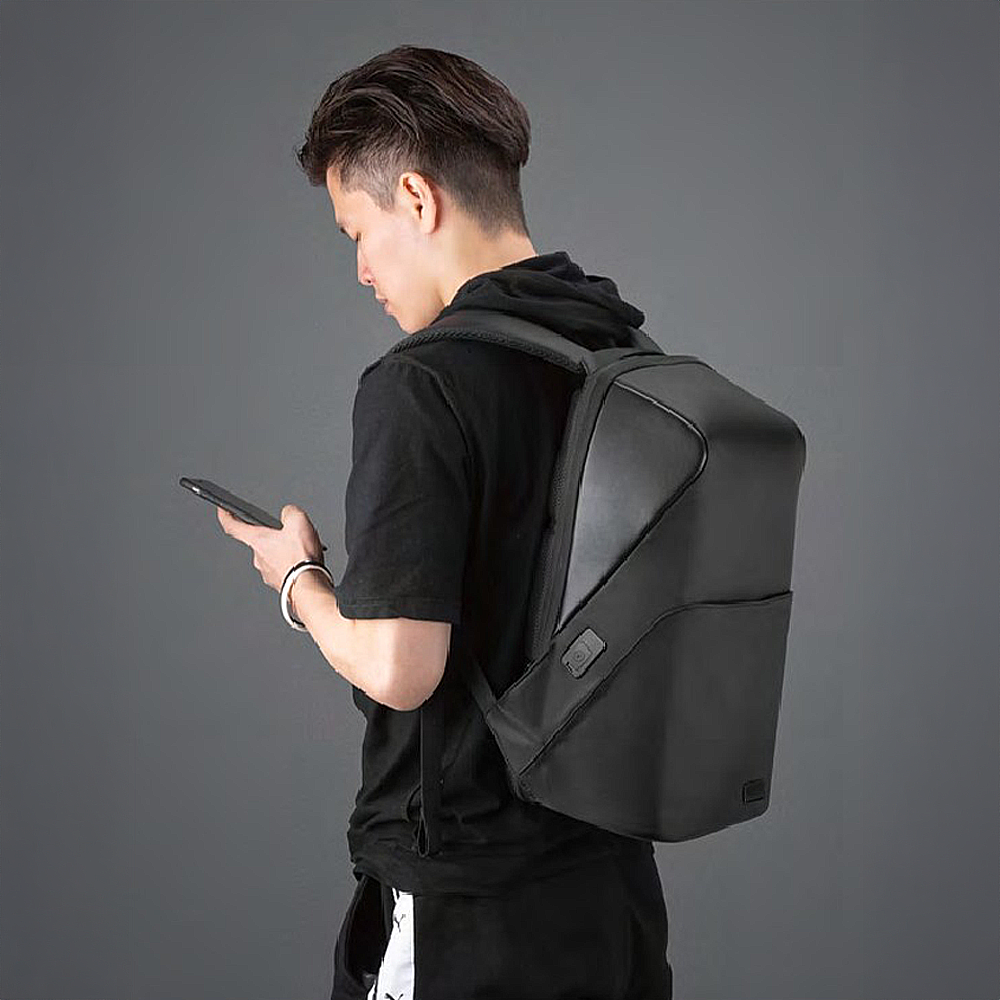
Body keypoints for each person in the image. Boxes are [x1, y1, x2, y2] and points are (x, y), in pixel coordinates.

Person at [292, 45, 674, 999]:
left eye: (356, 231)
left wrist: (301, 585)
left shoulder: (422, 383)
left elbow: (401, 667)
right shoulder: (622, 352)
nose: (360, 269)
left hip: (468, 904)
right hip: (612, 888)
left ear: (416, 198)